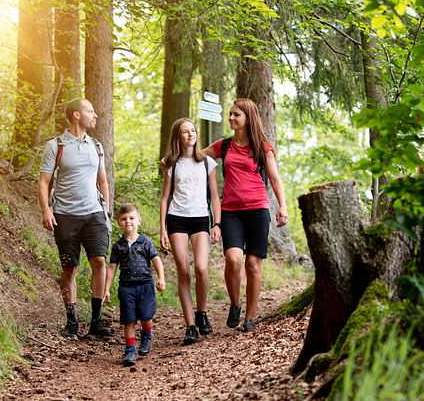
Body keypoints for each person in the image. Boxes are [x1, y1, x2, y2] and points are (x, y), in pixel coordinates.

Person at [202, 98, 288, 332]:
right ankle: (235, 304)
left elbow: (275, 179)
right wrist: (173, 158)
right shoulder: (224, 146)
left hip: (258, 210)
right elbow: (198, 156)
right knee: (234, 260)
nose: (231, 118)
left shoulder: (262, 147)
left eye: (236, 115)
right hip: (231, 212)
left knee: (252, 264)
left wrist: (282, 206)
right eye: (230, 114)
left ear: (248, 118)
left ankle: (250, 317)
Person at [37, 98, 112, 339]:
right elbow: (44, 182)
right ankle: (71, 321)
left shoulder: (96, 145)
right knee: (69, 268)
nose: (95, 115)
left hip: (94, 214)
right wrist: (46, 210)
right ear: (76, 115)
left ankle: (96, 320)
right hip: (65, 216)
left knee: (99, 261)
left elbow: (102, 180)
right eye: (90, 110)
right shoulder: (56, 145)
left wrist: (106, 210)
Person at [159, 118, 221, 345]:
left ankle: (202, 312)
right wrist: (162, 229)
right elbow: (165, 198)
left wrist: (217, 224)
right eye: (185, 132)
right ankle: (190, 326)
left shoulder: (207, 163)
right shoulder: (170, 163)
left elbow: (215, 196)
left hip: (200, 218)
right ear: (178, 136)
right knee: (183, 270)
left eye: (193, 130)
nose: (190, 134)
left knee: (201, 268)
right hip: (177, 219)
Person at [103, 204, 166, 366]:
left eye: (131, 218)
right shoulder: (118, 246)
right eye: (124, 219)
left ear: (139, 221)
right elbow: (112, 267)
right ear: (118, 222)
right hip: (126, 287)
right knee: (128, 319)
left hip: (145, 285)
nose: (128, 222)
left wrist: (161, 278)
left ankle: (146, 335)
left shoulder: (145, 242)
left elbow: (156, 260)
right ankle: (130, 349)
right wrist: (107, 288)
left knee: (146, 317)